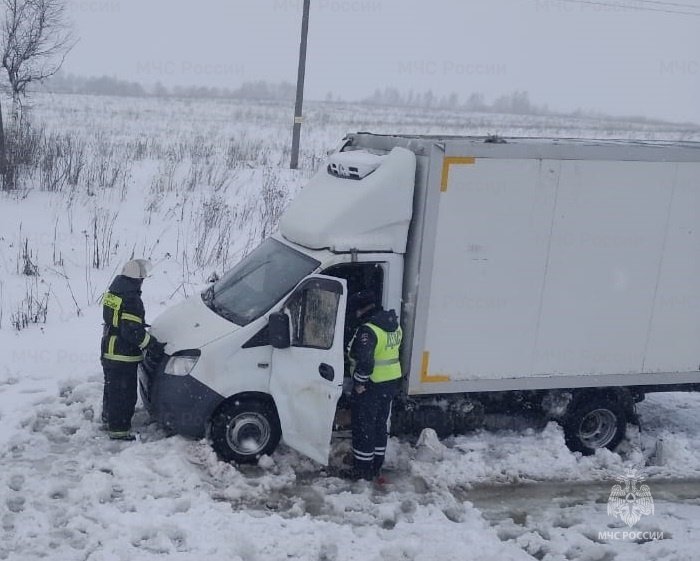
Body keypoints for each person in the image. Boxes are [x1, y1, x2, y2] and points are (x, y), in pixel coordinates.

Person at [100, 259, 164, 440]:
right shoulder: (132, 299)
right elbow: (131, 332)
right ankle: (119, 431)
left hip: (108, 348)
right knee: (124, 393)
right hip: (123, 354)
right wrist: (151, 345)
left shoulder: (114, 292)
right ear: (138, 279)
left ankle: (109, 418)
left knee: (112, 389)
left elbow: (117, 322)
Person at [347, 289, 403, 481]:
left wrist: (359, 383)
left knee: (364, 427)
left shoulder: (368, 330)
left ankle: (362, 469)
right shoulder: (393, 325)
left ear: (362, 310)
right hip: (390, 382)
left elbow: (366, 361)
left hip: (371, 385)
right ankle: (376, 464)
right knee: (379, 425)